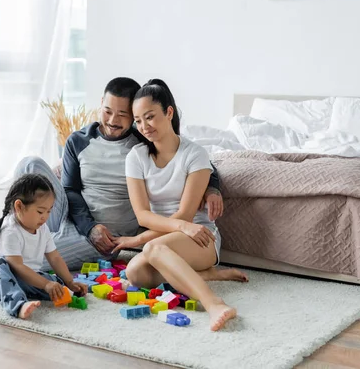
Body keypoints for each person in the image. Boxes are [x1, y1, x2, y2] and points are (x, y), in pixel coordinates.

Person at [14, 77, 223, 270]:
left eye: (123, 114)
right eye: (107, 111)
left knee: (28, 260)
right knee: (29, 164)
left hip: (107, 236)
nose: (113, 120)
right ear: (101, 104)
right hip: (74, 218)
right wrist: (89, 226)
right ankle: (14, 235)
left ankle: (24, 246)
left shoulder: (143, 140)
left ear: (134, 115)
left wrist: (212, 187)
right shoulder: (78, 140)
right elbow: (70, 189)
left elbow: (190, 157)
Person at [117, 79, 248, 331]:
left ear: (169, 113)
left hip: (200, 237)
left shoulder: (195, 154)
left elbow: (187, 215)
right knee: (135, 272)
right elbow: (143, 215)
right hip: (171, 235)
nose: (144, 126)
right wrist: (167, 230)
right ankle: (207, 275)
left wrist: (140, 240)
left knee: (153, 249)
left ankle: (213, 303)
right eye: (138, 120)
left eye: (150, 117)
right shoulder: (135, 158)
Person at [0, 173, 88, 319]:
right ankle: (18, 305)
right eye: (40, 211)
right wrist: (45, 284)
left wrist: (69, 282)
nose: (45, 217)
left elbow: (55, 258)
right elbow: (17, 266)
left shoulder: (43, 228)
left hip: (26, 276)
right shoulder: (9, 230)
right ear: (19, 206)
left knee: (56, 283)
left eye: (49, 211)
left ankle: (63, 290)